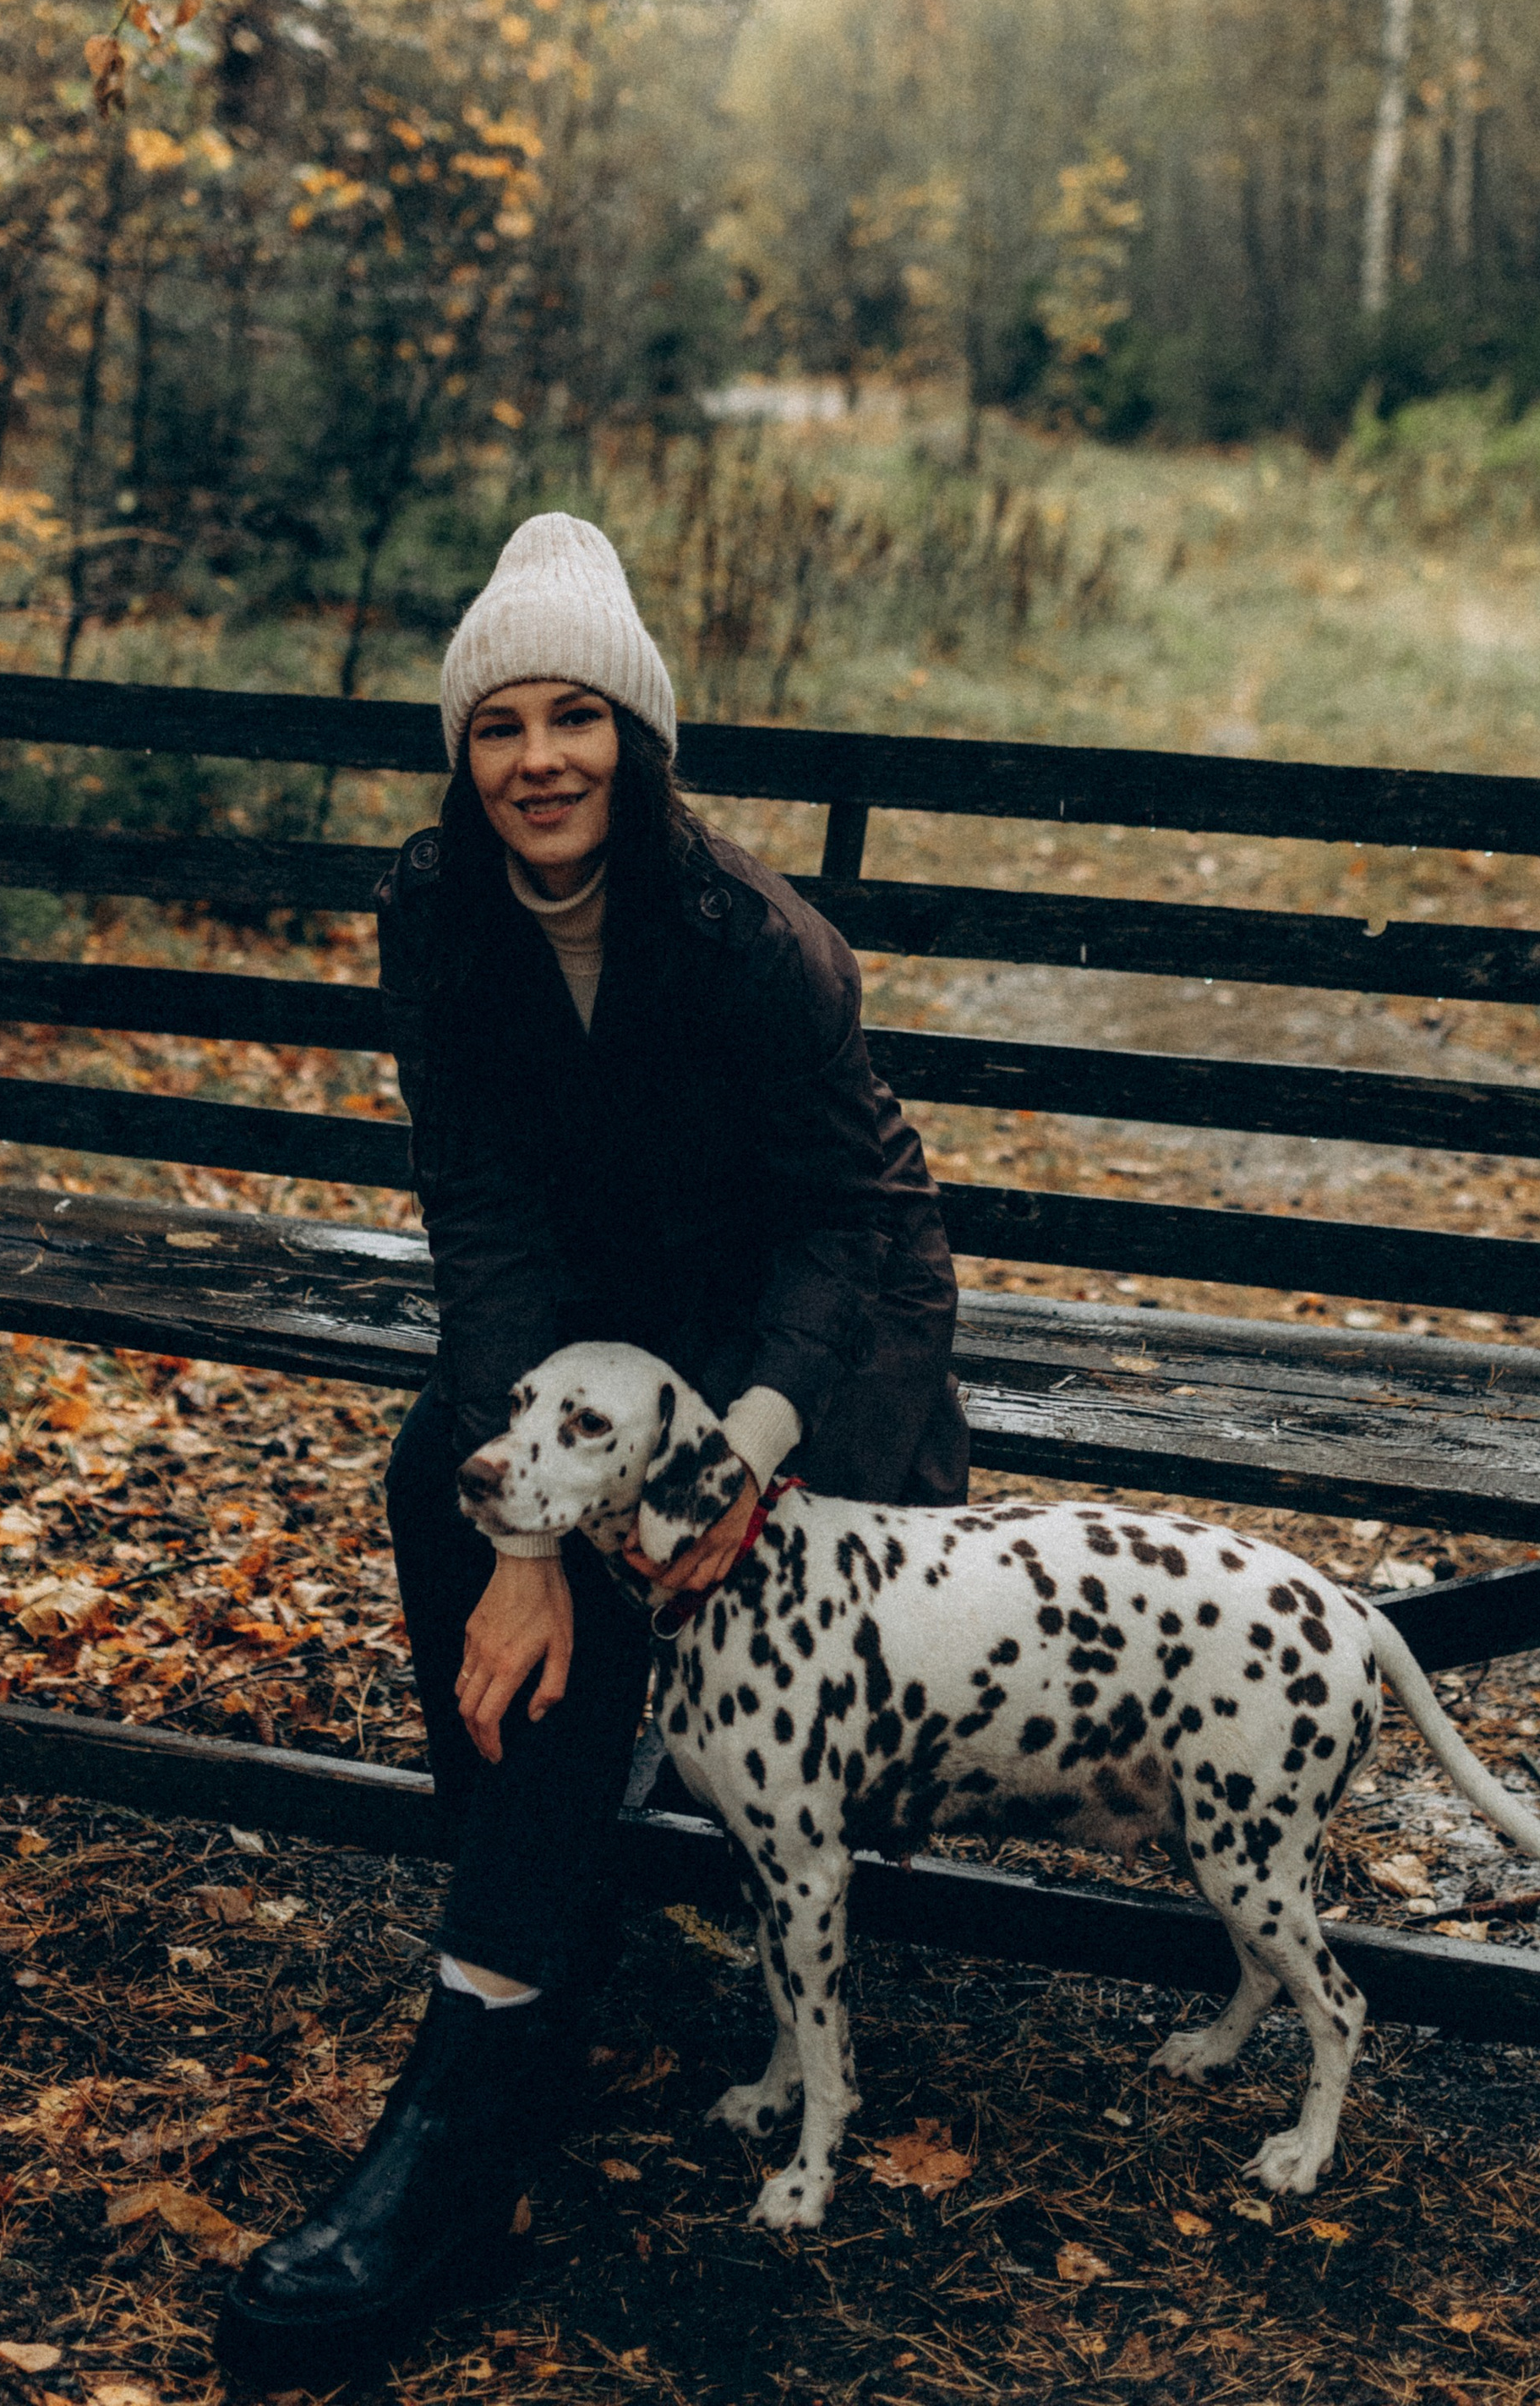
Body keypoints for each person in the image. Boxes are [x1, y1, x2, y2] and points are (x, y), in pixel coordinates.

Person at [218, 513, 964, 2384]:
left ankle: (470, 2104)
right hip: (596, 1325)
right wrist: (523, 1531)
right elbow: (479, 1213)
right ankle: (525, 1976)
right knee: (438, 1486)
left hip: (814, 1335)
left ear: (636, 744)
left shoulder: (747, 941)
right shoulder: (437, 917)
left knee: (635, 1546)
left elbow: (838, 1227)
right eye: (497, 726)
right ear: (463, 759)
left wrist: (743, 1458)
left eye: (577, 719)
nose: (537, 759)